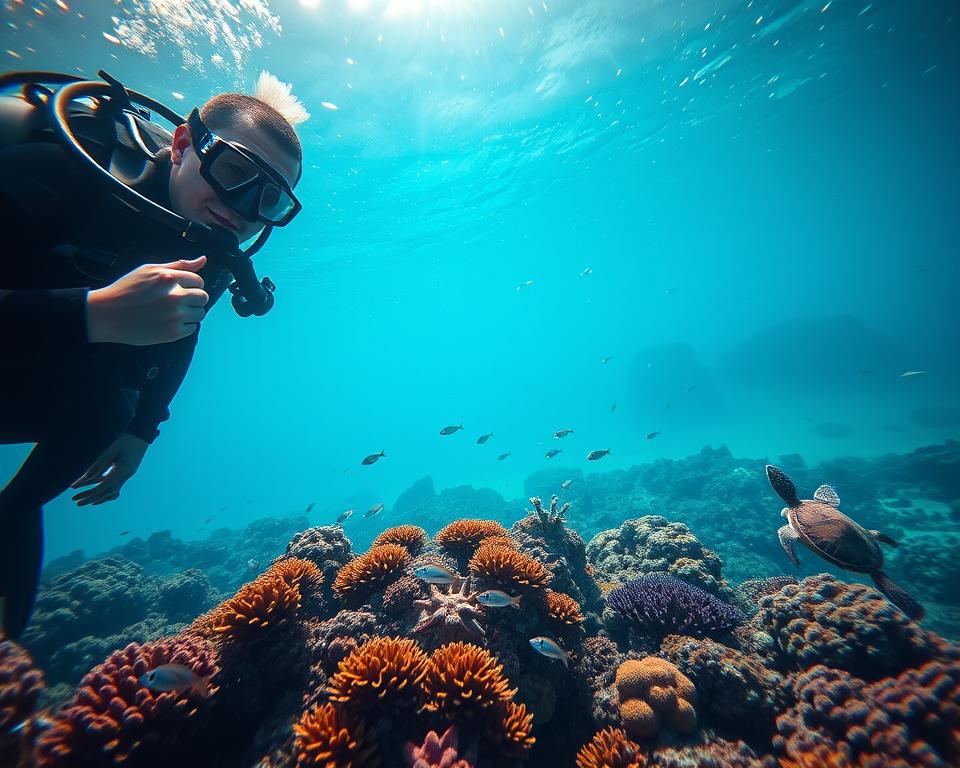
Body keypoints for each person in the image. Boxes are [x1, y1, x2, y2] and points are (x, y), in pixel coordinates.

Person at [0, 71, 310, 641]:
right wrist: (91, 313)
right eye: (236, 171)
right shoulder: (57, 173)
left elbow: (179, 332)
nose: (244, 207)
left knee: (111, 408)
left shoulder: (207, 247)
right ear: (183, 146)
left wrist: (144, 427)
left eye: (269, 199)